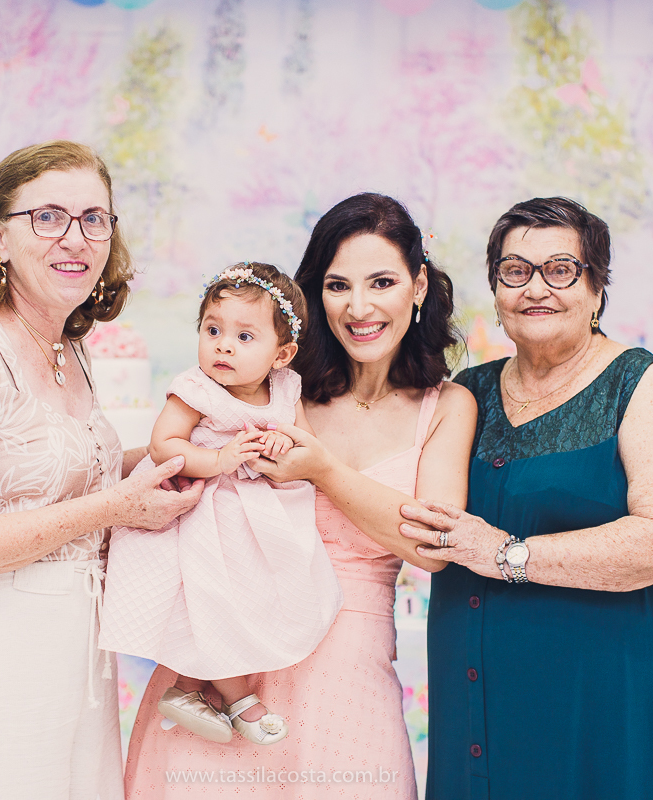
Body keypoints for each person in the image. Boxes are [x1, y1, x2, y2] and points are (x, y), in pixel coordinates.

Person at [123, 193, 477, 798]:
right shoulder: (276, 387)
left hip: (347, 675)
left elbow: (434, 546)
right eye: (338, 285)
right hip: (227, 666)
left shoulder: (447, 405)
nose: (359, 307)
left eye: (382, 282)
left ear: (417, 286)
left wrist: (323, 472)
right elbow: (166, 451)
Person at [0, 140, 204, 800]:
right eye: (49, 216)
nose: (77, 237)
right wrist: (117, 506)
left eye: (95, 218)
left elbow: (64, 472)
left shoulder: (67, 347)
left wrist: (183, 453)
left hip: (74, 670)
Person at [398, 197, 653, 800]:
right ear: (496, 291)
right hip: (482, 704)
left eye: (561, 269)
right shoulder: (466, 393)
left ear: (597, 288)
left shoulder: (641, 383)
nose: (535, 288)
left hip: (614, 702)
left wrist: (506, 554)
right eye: (515, 271)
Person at [100, 262, 342, 747]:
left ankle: (189, 689)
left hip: (260, 517)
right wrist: (218, 457)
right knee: (211, 596)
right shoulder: (197, 389)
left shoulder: (287, 388)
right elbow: (163, 444)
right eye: (213, 330)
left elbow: (304, 444)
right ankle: (237, 699)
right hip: (201, 509)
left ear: (283, 353)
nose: (223, 345)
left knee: (262, 594)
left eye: (244, 336)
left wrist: (281, 447)